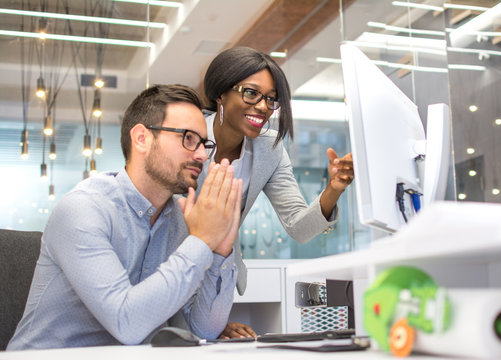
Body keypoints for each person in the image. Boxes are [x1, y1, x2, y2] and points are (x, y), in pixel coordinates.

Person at [7, 84, 243, 350]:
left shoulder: (177, 221)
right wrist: (201, 240)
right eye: (188, 138)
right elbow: (126, 323)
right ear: (141, 138)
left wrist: (220, 251)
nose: (201, 154)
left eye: (204, 143)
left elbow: (204, 330)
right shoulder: (83, 208)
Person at [202, 47, 354, 339]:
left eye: (272, 99)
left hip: (216, 279)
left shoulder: (269, 148)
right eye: (250, 93)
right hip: (166, 271)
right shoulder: (188, 133)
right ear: (221, 93)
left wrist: (333, 189)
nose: (263, 106)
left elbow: (299, 227)